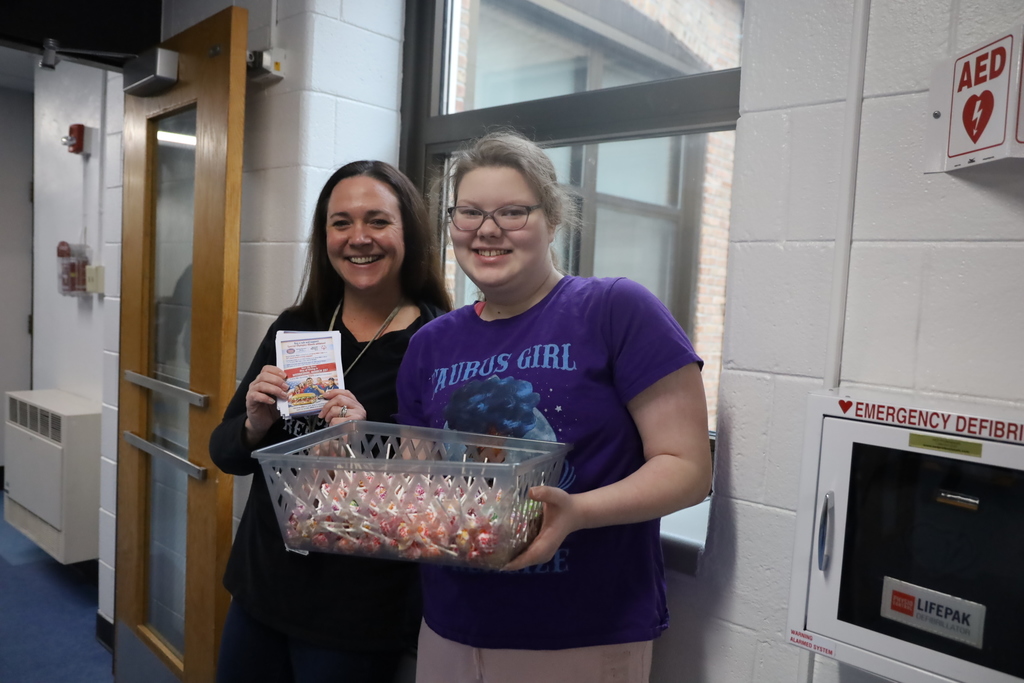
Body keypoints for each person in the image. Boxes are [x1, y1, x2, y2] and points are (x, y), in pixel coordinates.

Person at [395, 131, 713, 683]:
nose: (488, 229)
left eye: (512, 212)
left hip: (583, 631)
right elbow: (420, 477)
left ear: (553, 220)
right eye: (469, 212)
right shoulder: (430, 344)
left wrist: (577, 512)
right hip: (450, 623)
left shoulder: (616, 310)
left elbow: (688, 470)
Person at [209, 160, 451, 683]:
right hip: (262, 585)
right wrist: (253, 424)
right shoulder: (299, 326)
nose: (358, 238)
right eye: (341, 222)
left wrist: (366, 445)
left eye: (378, 221)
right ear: (325, 238)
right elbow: (226, 455)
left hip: (356, 611)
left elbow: (436, 499)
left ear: (408, 231)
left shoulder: (437, 342)